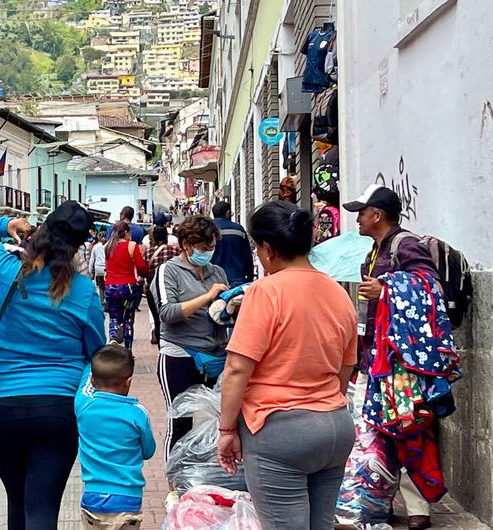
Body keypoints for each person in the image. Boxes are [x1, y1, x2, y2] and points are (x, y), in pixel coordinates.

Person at [0, 202, 107, 529]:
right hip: (58, 407)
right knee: (42, 507)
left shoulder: (2, 269)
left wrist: (5, 224)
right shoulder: (84, 291)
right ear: (78, 246)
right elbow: (96, 352)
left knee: (16, 499)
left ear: (41, 232)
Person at [216, 201, 356, 529]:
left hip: (280, 432)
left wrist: (226, 430)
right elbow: (344, 370)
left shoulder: (265, 292)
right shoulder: (338, 294)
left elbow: (237, 369)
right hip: (335, 428)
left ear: (268, 249)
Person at [344, 184, 438, 529]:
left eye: (362, 212)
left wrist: (386, 289)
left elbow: (430, 286)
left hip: (402, 362)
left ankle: (418, 509)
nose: (357, 219)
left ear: (378, 215)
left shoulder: (405, 245)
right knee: (373, 432)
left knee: (410, 428)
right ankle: (377, 500)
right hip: (374, 356)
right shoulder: (374, 250)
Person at [152, 215, 228, 453]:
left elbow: (223, 313)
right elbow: (167, 312)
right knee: (180, 421)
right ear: (186, 245)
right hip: (180, 354)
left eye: (212, 247)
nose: (209, 253)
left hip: (215, 355)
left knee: (221, 421)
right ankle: (174, 482)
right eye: (204, 248)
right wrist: (207, 297)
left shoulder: (217, 273)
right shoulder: (169, 271)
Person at [76, 345, 155, 530]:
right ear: (128, 382)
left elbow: (85, 380)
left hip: (93, 497)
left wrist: (92, 361)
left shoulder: (84, 405)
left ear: (93, 381)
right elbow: (148, 451)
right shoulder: (138, 414)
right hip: (128, 498)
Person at [102, 222, 149, 349]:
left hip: (110, 287)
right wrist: (144, 274)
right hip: (127, 287)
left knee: (113, 317)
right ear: (127, 232)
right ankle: (127, 350)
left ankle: (113, 339)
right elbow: (141, 268)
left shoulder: (107, 246)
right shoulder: (132, 246)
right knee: (128, 319)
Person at [142, 226, 181, 345]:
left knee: (157, 320)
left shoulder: (148, 253)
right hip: (173, 291)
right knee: (173, 321)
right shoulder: (175, 251)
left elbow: (143, 271)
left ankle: (161, 347)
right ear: (166, 237)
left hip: (152, 292)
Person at [211, 201, 254, 287]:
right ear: (227, 213)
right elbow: (247, 256)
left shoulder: (207, 229)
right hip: (236, 278)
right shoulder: (238, 230)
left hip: (212, 279)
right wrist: (249, 277)